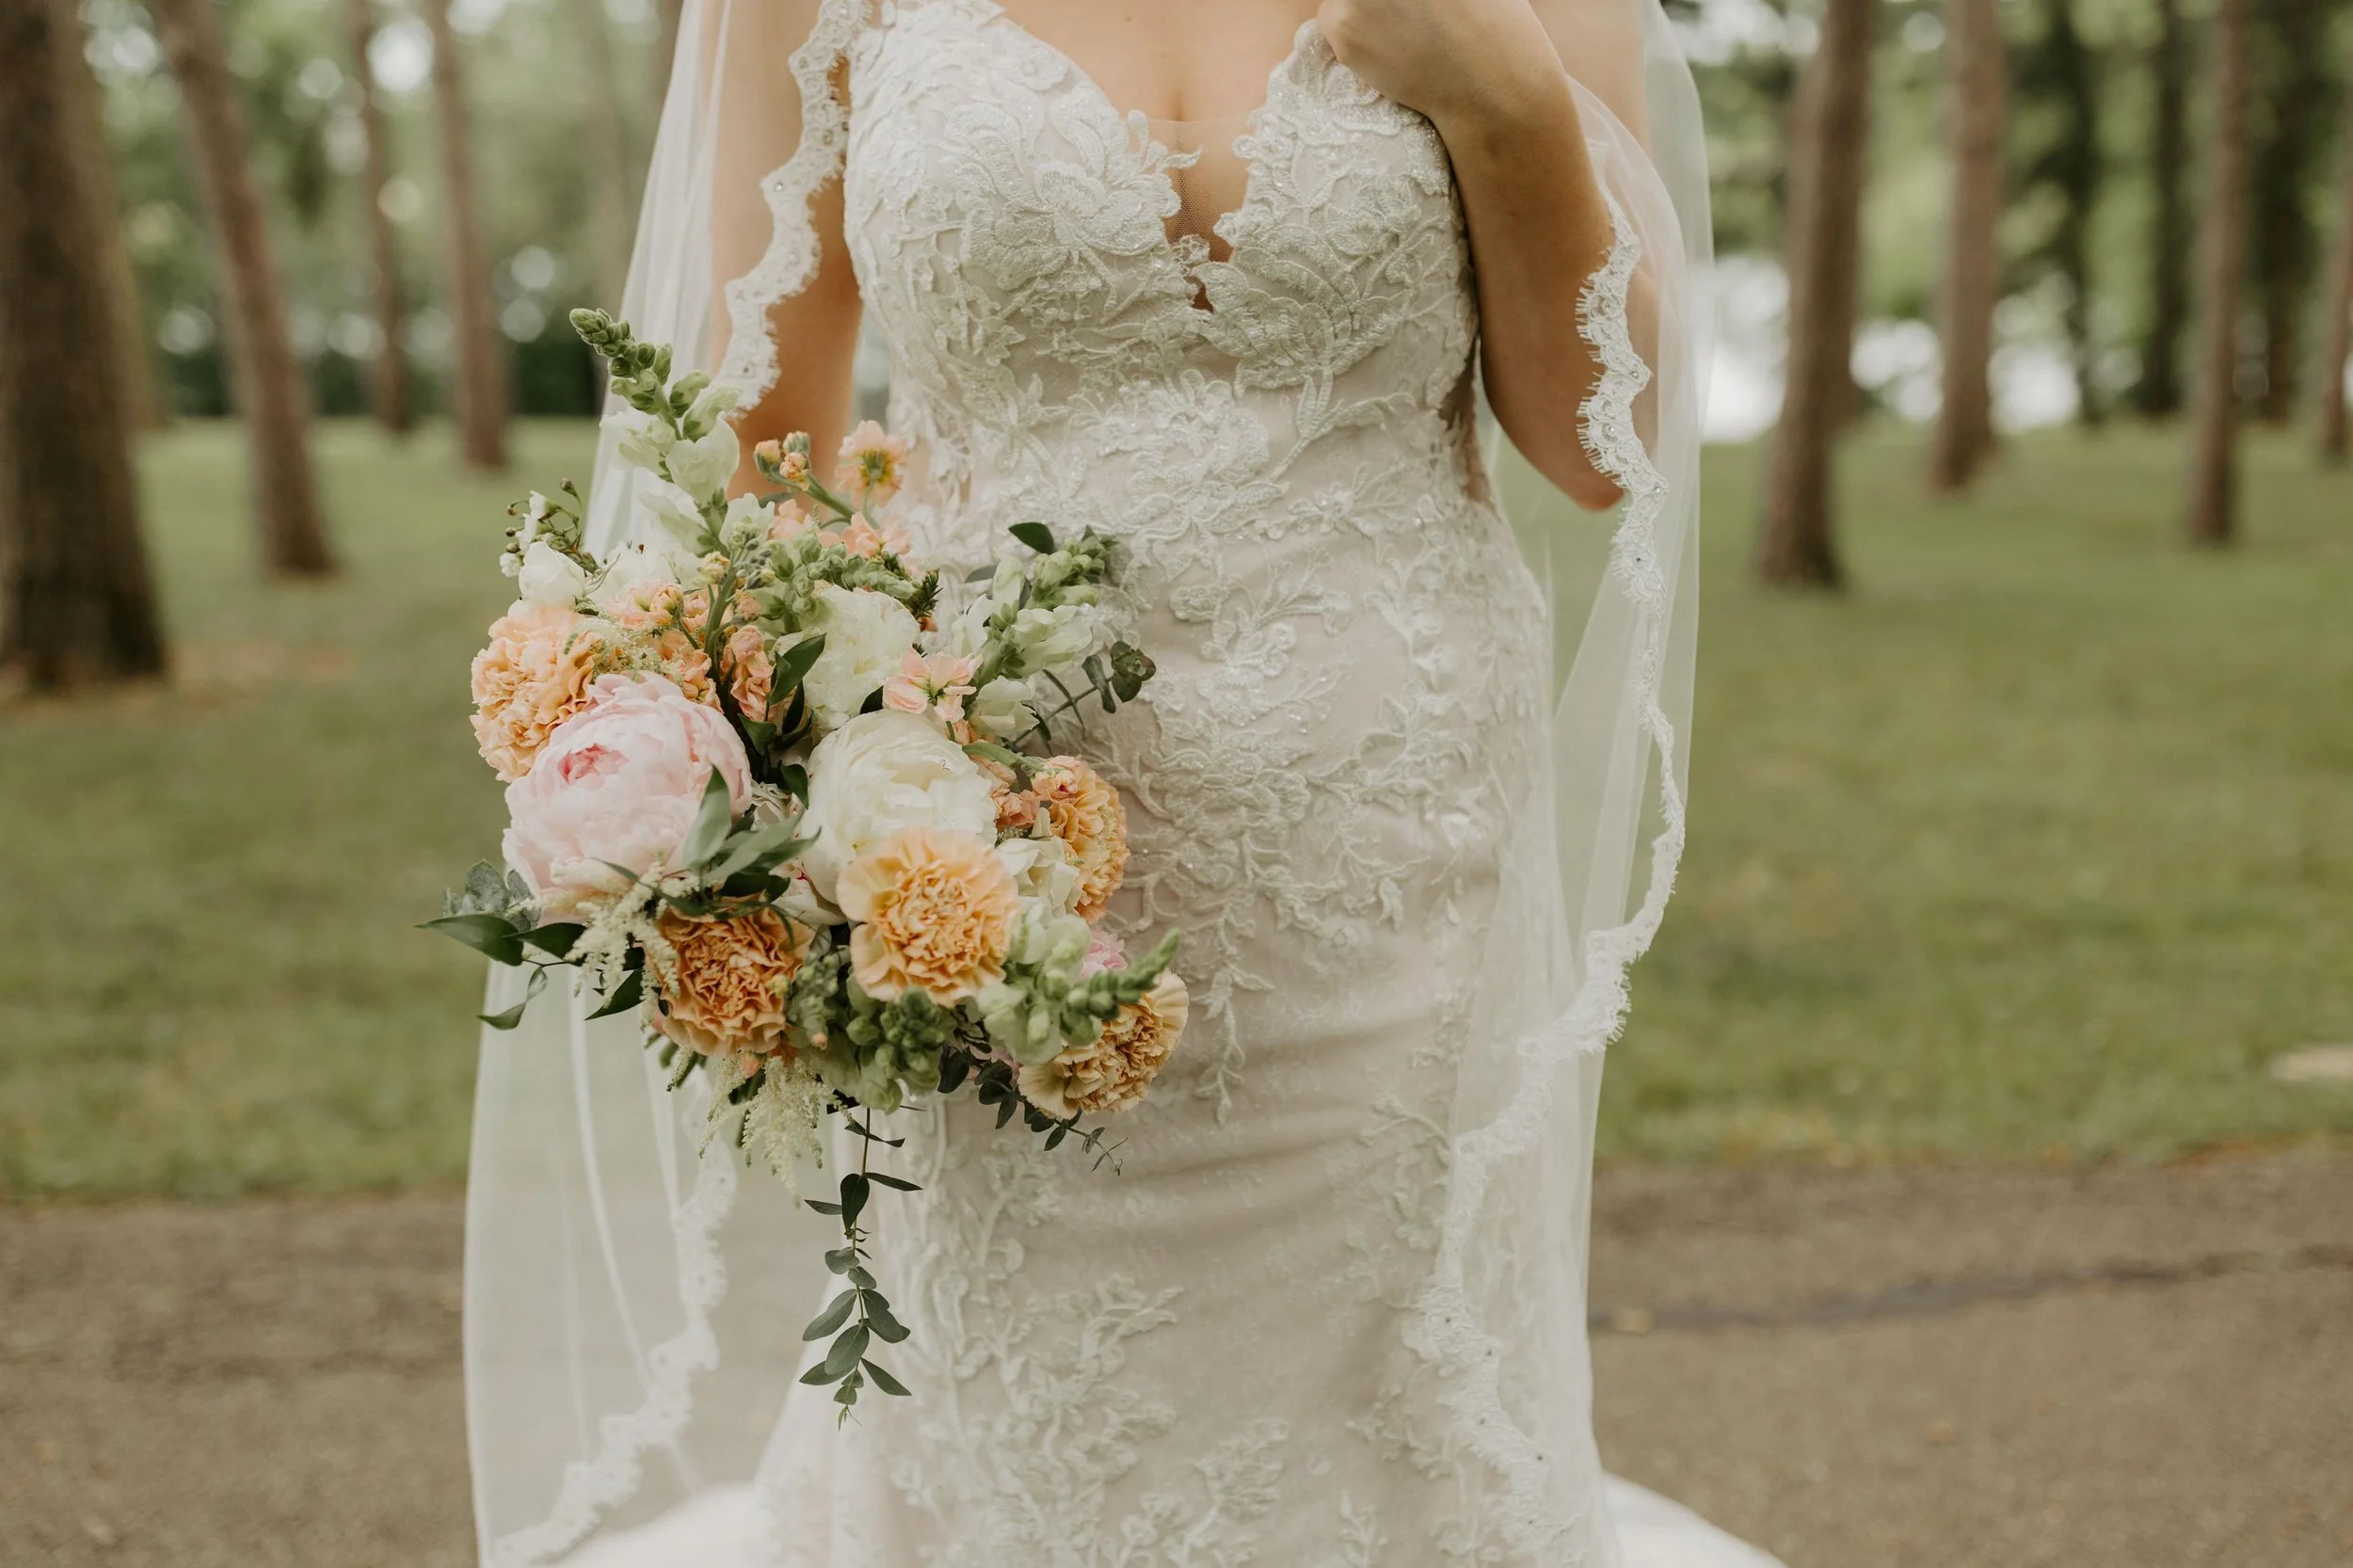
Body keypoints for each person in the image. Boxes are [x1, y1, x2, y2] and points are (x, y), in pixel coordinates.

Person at [464, 2, 1756, 1563]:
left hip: (1389, 847)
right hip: (986, 850)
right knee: (1024, 1380)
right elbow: (759, 467)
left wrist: (1507, 106)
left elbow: (1603, 443)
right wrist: (797, 785)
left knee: (1385, 1371)